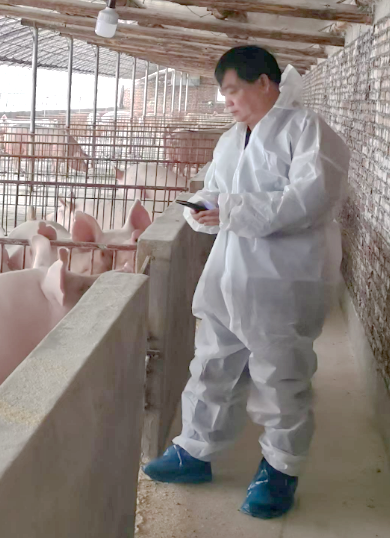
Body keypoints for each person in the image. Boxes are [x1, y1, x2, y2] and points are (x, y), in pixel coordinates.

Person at [143, 47, 350, 519]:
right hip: (228, 272)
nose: (228, 101)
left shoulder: (307, 130)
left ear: (264, 83)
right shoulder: (231, 139)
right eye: (224, 93)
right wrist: (202, 209)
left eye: (234, 90)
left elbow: (311, 198)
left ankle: (280, 470)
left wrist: (231, 210)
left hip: (282, 276)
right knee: (212, 362)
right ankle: (194, 451)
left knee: (279, 374)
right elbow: (215, 189)